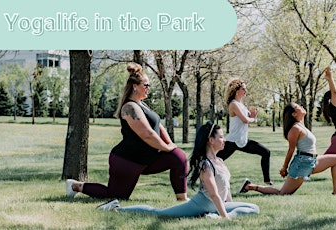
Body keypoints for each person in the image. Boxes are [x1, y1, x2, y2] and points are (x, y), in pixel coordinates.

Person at [66, 63, 188, 201]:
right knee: (116, 196)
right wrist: (166, 148)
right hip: (127, 160)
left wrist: (171, 145)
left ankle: (182, 199)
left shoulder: (143, 104)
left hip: (147, 159)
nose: (149, 88)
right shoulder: (129, 107)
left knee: (179, 157)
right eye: (146, 85)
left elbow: (158, 126)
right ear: (135, 86)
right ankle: (76, 186)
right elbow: (147, 134)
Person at [96, 122, 260, 219]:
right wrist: (225, 216)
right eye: (221, 137)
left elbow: (226, 192)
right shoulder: (206, 164)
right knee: (159, 213)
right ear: (211, 140)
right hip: (201, 204)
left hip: (216, 207)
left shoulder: (221, 161)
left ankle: (214, 217)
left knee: (254, 208)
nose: (224, 140)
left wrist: (228, 209)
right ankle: (116, 208)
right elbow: (214, 194)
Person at [239, 103, 336, 195]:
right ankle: (250, 186)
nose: (301, 106)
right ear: (294, 114)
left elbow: (302, 116)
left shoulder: (300, 124)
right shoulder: (295, 129)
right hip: (302, 164)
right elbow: (291, 150)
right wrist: (284, 168)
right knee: (282, 193)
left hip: (312, 161)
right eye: (297, 106)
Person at [216, 78, 272, 185]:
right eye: (244, 89)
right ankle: (198, 178)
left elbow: (246, 119)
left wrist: (252, 116)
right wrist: (253, 119)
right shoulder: (234, 104)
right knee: (215, 161)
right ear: (237, 91)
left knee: (266, 152)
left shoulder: (240, 104)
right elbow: (245, 120)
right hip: (233, 141)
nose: (246, 91)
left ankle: (267, 180)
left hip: (242, 141)